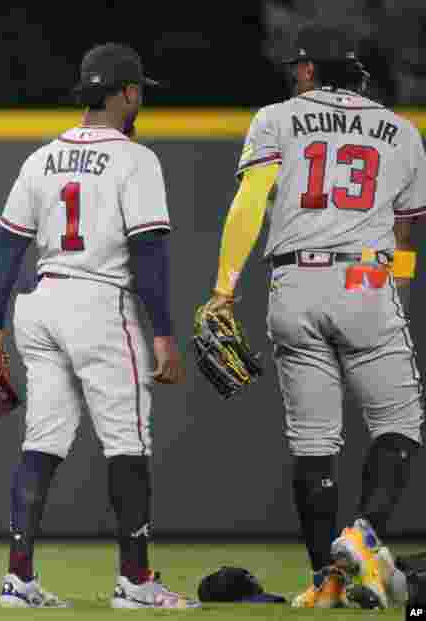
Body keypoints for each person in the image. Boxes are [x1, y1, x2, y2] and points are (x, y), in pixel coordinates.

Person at [200, 25, 425, 609]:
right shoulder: (401, 131)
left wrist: (224, 289)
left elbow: (251, 200)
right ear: (363, 75)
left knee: (312, 443)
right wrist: (396, 287)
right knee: (400, 422)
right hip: (365, 277)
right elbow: (405, 227)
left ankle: (326, 581)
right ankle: (364, 535)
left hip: (293, 281)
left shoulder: (277, 117)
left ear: (307, 71)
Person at [0, 43, 198, 610]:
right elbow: (148, 252)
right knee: (129, 442)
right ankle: (136, 582)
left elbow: (6, 248)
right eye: (138, 90)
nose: (139, 99)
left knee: (42, 440)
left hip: (40, 304)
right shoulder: (134, 159)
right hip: (100, 304)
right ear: (126, 93)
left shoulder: (41, 158)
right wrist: (163, 331)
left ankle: (17, 580)